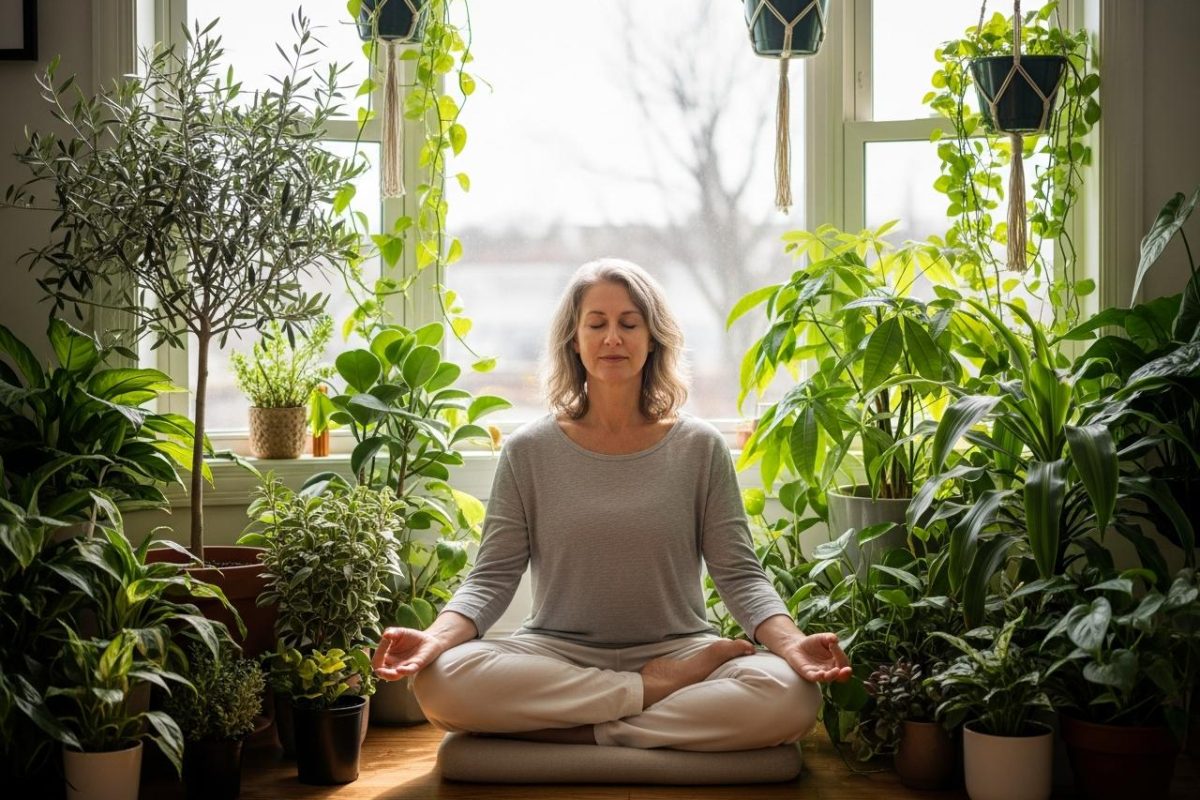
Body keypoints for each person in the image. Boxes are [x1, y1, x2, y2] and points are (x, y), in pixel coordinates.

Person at [371, 258, 851, 751]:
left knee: (791, 695)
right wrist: (434, 638)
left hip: (681, 646)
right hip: (556, 653)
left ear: (653, 338)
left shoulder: (700, 448)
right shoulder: (529, 451)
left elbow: (741, 575)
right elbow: (491, 578)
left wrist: (792, 645)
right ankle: (650, 694)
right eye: (596, 324)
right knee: (440, 681)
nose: (612, 339)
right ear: (573, 340)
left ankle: (587, 728)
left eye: (629, 323)